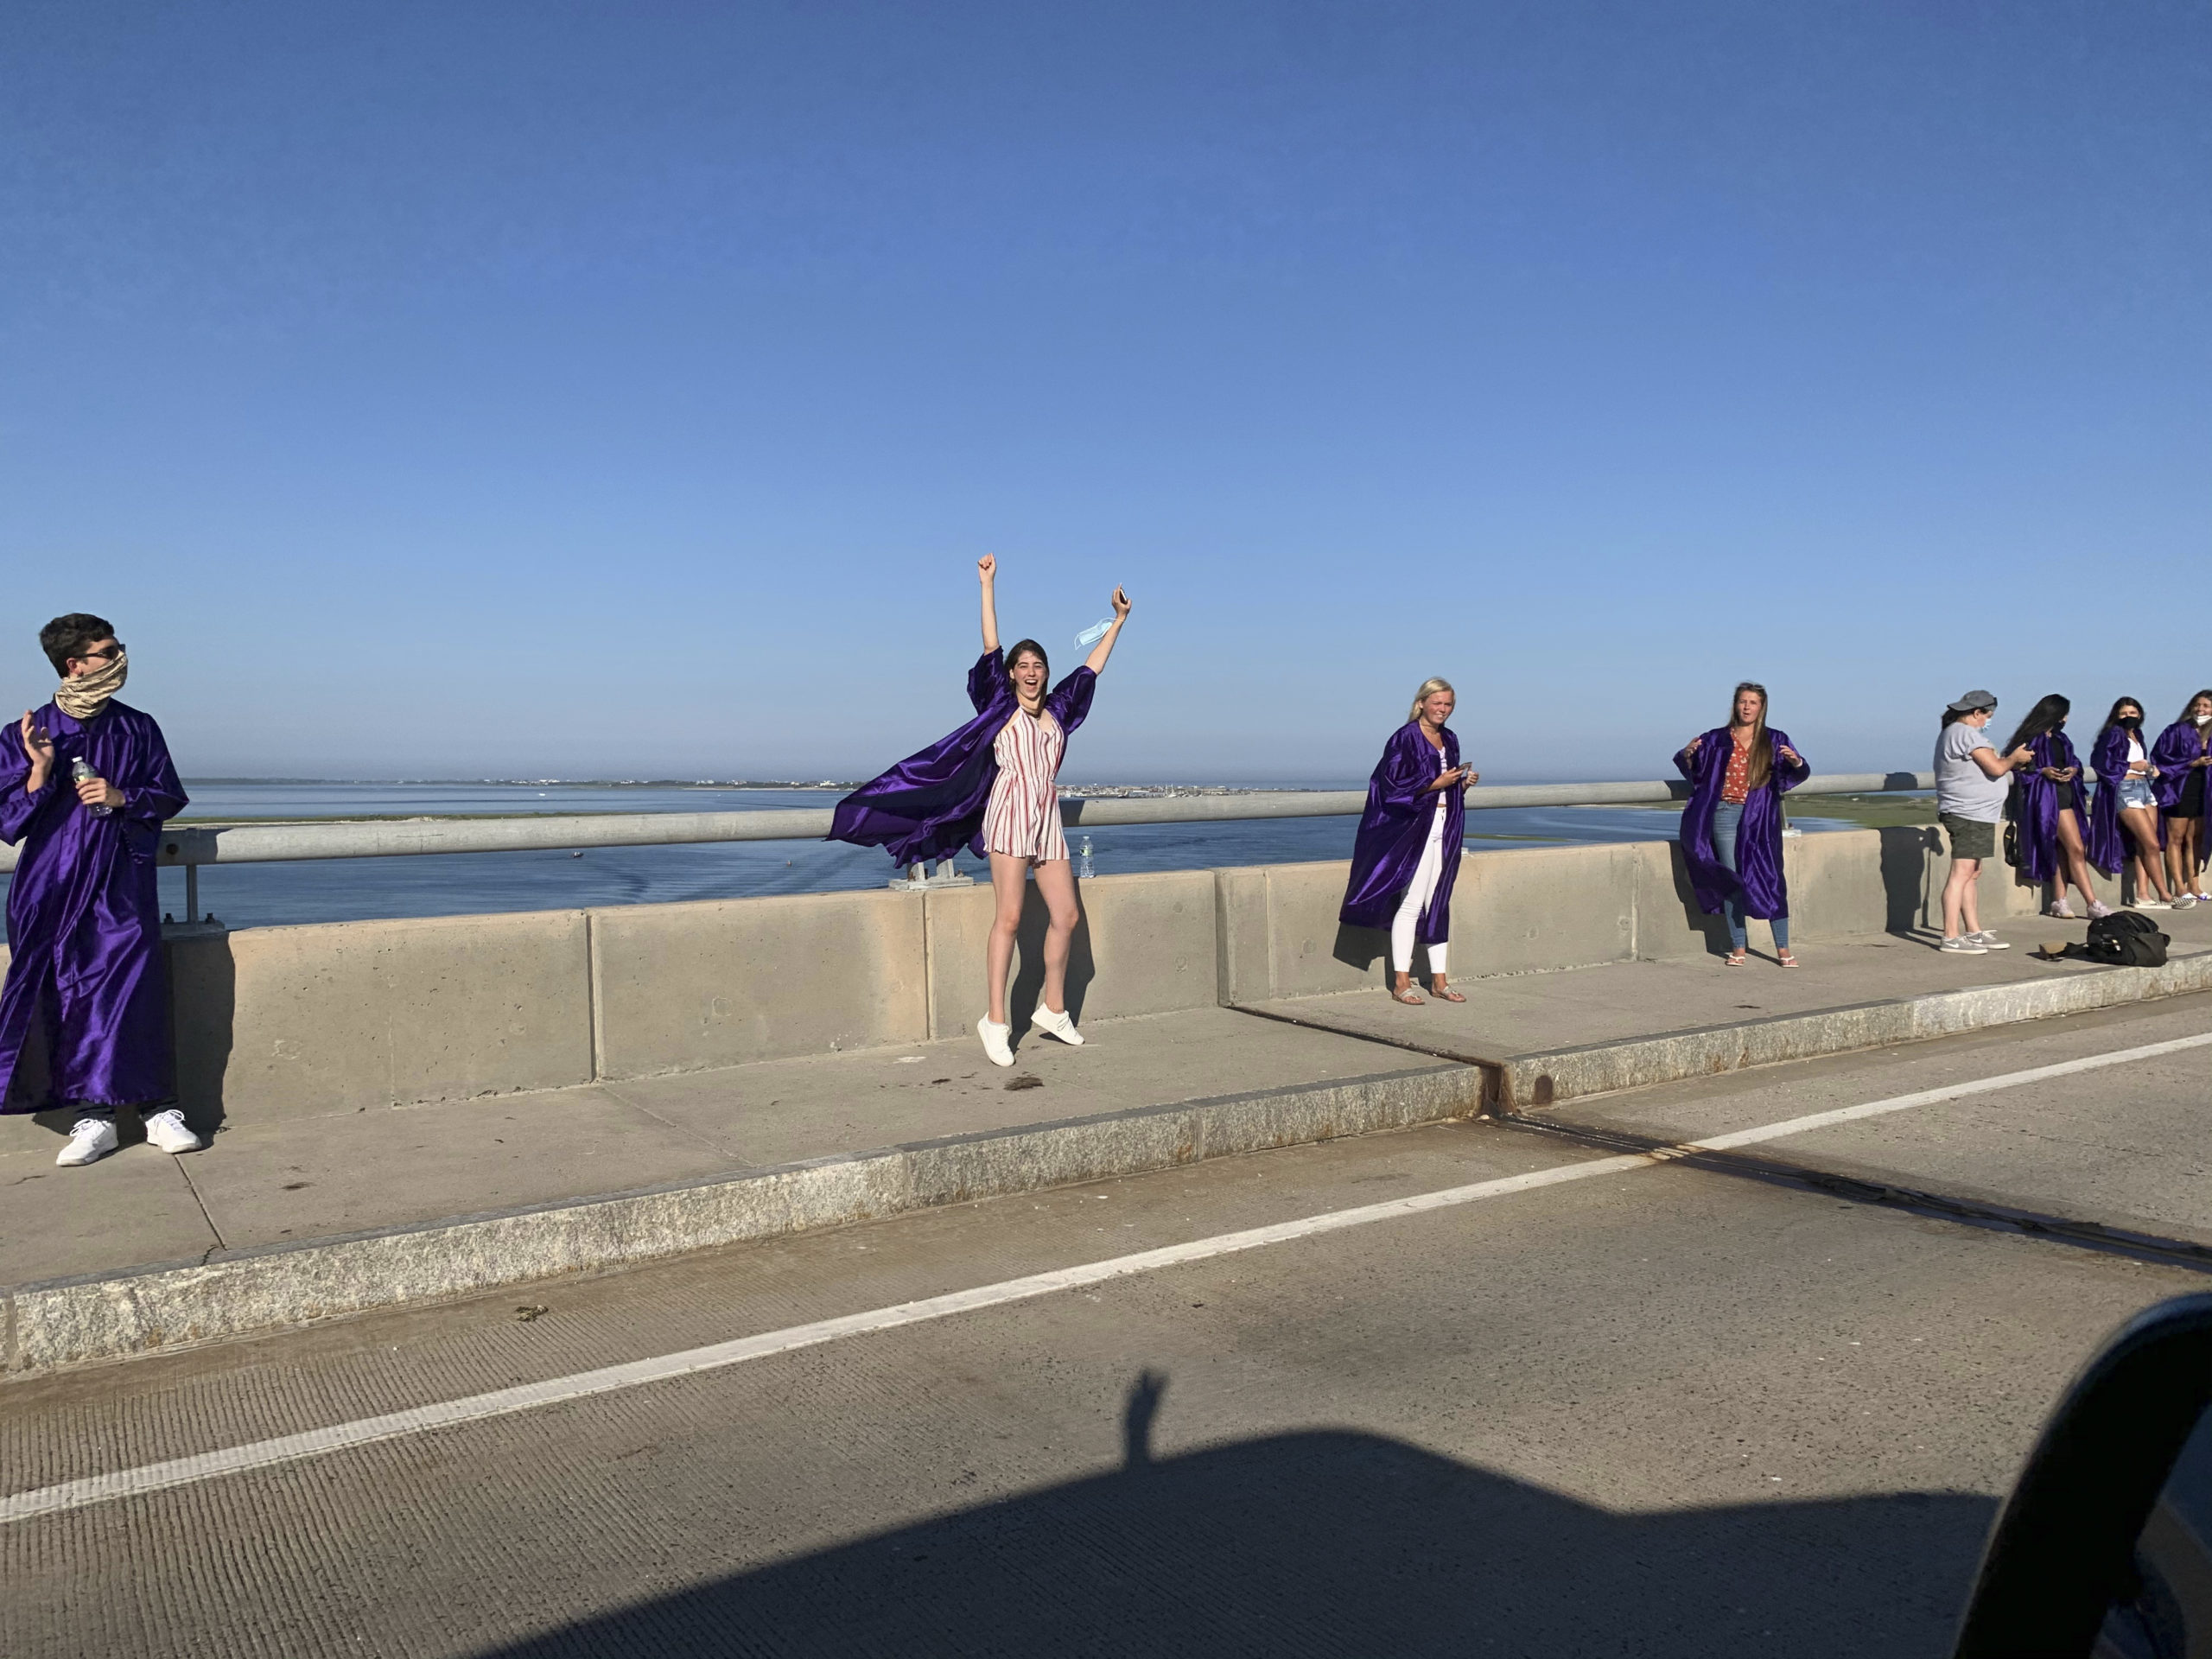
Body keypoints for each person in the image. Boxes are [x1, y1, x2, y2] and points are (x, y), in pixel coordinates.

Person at [830, 557, 1131, 1066]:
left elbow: (1091, 669)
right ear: (1012, 675)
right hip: (1010, 816)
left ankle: (1053, 1009)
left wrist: (1119, 621)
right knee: (1009, 918)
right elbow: (991, 645)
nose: (1032, 673)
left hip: (1046, 819)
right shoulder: (1000, 704)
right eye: (1024, 666)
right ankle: (995, 1020)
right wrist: (987, 585)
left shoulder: (1058, 712)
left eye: (1039, 667)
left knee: (1068, 914)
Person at [0, 615, 200, 1166]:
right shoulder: (27, 732)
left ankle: (160, 1109)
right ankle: (92, 1119)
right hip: (48, 886)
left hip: (119, 880)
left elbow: (167, 793)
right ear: (76, 664)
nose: (120, 659)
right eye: (108, 651)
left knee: (134, 986)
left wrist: (120, 796)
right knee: (61, 990)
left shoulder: (138, 727)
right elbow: (7, 820)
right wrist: (39, 771)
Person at [1338, 678, 1475, 1005]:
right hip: (1416, 827)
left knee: (1439, 900)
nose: (1443, 710)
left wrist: (1461, 783)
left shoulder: (1450, 739)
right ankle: (1402, 981)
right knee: (1412, 901)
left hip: (1447, 822)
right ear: (1422, 703)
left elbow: (1445, 787)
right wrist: (1433, 783)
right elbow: (1390, 788)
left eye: (1448, 705)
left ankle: (1439, 980)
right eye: (1438, 703)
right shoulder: (1404, 738)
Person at [1674, 682, 1809, 967]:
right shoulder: (1715, 739)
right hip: (1723, 814)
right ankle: (1739, 948)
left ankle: (1783, 949)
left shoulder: (1774, 739)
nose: (1747, 707)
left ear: (1762, 707)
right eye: (1743, 702)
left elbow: (1794, 774)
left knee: (1769, 877)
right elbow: (1697, 774)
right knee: (1731, 878)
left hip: (1760, 817)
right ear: (1735, 705)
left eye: (1753, 703)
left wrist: (1797, 762)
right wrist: (1687, 755)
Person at [1931, 690, 2033, 954]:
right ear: (1977, 713)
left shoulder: (1956, 733)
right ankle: (1950, 936)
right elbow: (1996, 768)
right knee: (1961, 874)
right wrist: (2015, 759)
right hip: (1967, 813)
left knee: (1972, 874)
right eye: (1988, 716)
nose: (1988, 721)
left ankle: (1973, 931)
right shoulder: (1965, 733)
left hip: (1976, 814)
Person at [1999, 694, 2108, 920]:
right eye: (2063, 714)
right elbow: (2018, 768)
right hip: (2047, 798)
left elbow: (2074, 761)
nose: (2066, 719)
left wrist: (2073, 770)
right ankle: (2092, 902)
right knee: (2076, 848)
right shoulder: (2032, 739)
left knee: (2063, 848)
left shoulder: (2062, 739)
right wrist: (2043, 771)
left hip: (2067, 794)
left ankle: (2059, 900)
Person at [2086, 696, 2177, 909]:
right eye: (2124, 713)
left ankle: (2143, 894)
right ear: (2116, 716)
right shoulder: (2112, 734)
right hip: (2126, 790)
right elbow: (2101, 762)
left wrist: (2148, 768)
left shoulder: (2138, 734)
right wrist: (2131, 764)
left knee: (2144, 844)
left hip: (2144, 787)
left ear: (2140, 715)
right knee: (2152, 844)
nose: (2128, 717)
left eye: (2132, 713)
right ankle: (2165, 894)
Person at [2152, 690, 2212, 907]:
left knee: (2195, 839)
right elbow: (2160, 758)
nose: (2201, 710)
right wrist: (2191, 763)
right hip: (2179, 788)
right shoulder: (2176, 730)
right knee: (2175, 839)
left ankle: (2194, 885)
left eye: (2206, 706)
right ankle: (2179, 886)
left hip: (2204, 790)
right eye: (2198, 705)